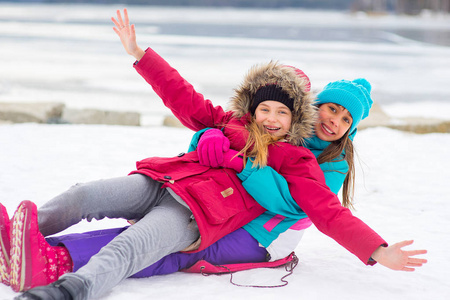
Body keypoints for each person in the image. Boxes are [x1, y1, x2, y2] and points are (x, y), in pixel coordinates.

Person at [4, 8, 426, 300]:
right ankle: (20, 234)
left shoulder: (298, 160)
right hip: (165, 181)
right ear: (253, 107)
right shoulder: (230, 122)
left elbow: (326, 212)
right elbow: (185, 99)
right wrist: (142, 56)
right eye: (266, 108)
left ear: (296, 117)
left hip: (202, 213)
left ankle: (69, 290)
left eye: (284, 112)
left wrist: (377, 250)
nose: (273, 118)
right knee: (83, 195)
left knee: (131, 247)